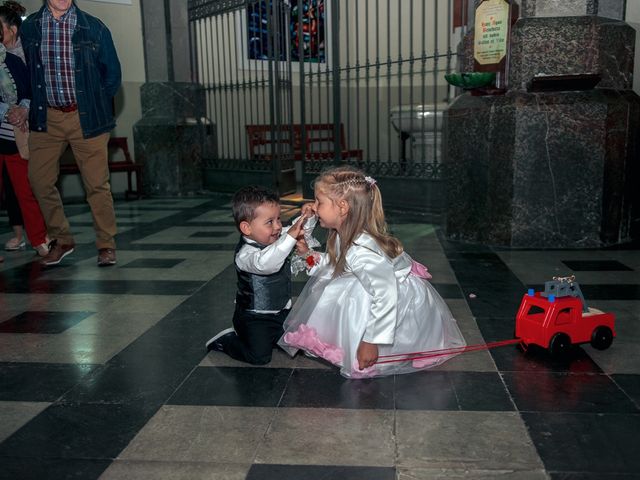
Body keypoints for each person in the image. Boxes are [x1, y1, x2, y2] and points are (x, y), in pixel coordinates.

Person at [278, 166, 467, 378]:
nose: (313, 206)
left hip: (393, 295)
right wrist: (308, 254)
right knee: (344, 289)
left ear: (342, 208)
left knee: (352, 295)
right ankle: (346, 341)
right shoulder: (345, 234)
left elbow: (385, 295)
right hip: (380, 284)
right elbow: (338, 265)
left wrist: (371, 340)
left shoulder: (363, 250)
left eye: (319, 202)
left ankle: (370, 346)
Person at [20, 0, 122, 266]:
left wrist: (94, 103)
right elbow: (27, 72)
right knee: (39, 180)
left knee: (97, 185)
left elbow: (112, 75)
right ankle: (62, 239)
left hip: (85, 117)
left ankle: (106, 244)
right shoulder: (30, 27)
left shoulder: (94, 27)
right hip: (46, 117)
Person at [205, 185, 312, 365]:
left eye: (279, 219)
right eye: (270, 222)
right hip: (254, 317)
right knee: (260, 357)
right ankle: (227, 340)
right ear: (247, 228)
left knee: (296, 345)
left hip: (281, 311)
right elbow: (267, 264)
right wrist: (291, 236)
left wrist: (308, 216)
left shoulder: (273, 236)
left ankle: (272, 336)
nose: (278, 226)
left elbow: (296, 230)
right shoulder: (245, 255)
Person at [0, 1, 49, 257]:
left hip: (17, 135)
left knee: (26, 189)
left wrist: (22, 109)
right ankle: (19, 234)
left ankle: (40, 238)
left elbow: (30, 90)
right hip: (7, 127)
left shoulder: (17, 58)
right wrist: (6, 111)